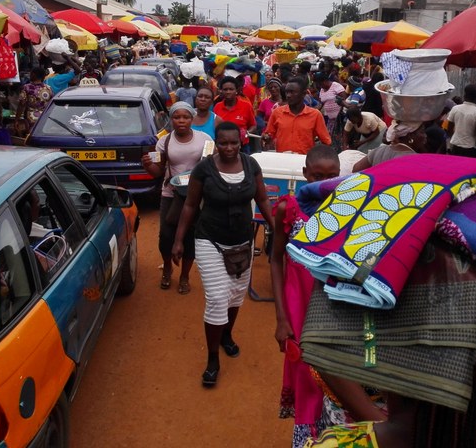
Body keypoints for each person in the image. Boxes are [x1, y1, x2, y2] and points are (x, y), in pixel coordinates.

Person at [172, 122, 274, 387]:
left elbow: (263, 200)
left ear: (241, 142)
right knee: (217, 297)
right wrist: (179, 240)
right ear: (216, 143)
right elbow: (190, 205)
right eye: (223, 143)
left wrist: (278, 231)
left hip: (242, 242)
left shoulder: (251, 166)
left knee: (236, 295)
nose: (229, 148)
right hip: (209, 240)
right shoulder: (203, 170)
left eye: (234, 143)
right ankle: (213, 358)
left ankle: (227, 335)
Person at [271, 145, 342, 447]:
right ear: (304, 175)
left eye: (332, 177)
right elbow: (276, 260)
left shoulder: (348, 211)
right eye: (317, 176)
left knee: (335, 378)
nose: (324, 185)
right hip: (299, 311)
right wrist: (281, 318)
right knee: (305, 372)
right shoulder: (288, 209)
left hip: (336, 309)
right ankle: (306, 439)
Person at [142, 102, 210, 294]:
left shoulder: (205, 139)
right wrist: (147, 166)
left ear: (192, 119)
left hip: (195, 196)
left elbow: (209, 166)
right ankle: (167, 269)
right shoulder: (163, 141)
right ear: (171, 119)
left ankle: (185, 276)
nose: (181, 121)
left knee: (190, 236)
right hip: (170, 195)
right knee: (166, 236)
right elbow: (158, 171)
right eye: (177, 117)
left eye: (186, 117)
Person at [263, 77, 331, 154]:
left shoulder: (315, 115)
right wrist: (266, 138)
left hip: (304, 161)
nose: (288, 95)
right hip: (282, 160)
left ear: (303, 94)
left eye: (292, 92)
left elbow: (326, 142)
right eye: (287, 92)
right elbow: (268, 135)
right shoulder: (277, 112)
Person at [351, 121, 427, 172]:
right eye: (422, 132)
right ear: (411, 136)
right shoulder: (414, 159)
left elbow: (356, 169)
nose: (425, 136)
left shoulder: (380, 150)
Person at [213, 77, 257, 149]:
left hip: (242, 146)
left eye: (231, 89)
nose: (228, 92)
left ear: (236, 91)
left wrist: (246, 133)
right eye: (225, 89)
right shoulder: (217, 107)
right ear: (221, 91)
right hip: (223, 147)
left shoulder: (246, 106)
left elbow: (253, 126)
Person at [446, 84, 476, 157]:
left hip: (455, 146)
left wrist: (453, 141)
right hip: (471, 149)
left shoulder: (455, 109)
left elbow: (449, 129)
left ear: (465, 95)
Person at [15, 67, 54, 135]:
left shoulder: (27, 87)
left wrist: (17, 119)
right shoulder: (48, 88)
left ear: (33, 74)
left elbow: (21, 104)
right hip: (44, 119)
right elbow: (51, 105)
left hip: (30, 119)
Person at [313, 73, 347, 140]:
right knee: (331, 138)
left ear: (325, 81)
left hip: (340, 119)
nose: (319, 86)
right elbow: (321, 103)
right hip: (330, 119)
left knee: (340, 138)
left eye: (320, 83)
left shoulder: (336, 86)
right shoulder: (322, 90)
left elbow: (344, 100)